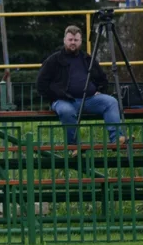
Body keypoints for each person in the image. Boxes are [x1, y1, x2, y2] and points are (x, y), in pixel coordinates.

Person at [36, 25, 126, 153]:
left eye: (76, 40)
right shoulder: (54, 60)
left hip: (89, 99)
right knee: (66, 111)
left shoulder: (87, 59)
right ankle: (73, 146)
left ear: (81, 41)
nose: (73, 42)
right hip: (64, 100)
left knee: (111, 102)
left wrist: (100, 89)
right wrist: (55, 97)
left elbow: (102, 78)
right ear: (64, 40)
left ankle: (117, 139)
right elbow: (41, 84)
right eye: (70, 39)